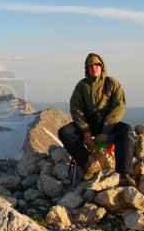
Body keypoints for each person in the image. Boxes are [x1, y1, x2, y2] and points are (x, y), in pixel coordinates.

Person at [58, 53, 137, 186]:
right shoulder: (82, 86)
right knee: (65, 132)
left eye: (97, 65)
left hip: (108, 125)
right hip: (89, 124)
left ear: (102, 67)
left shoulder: (112, 83)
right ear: (86, 69)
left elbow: (118, 107)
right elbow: (76, 109)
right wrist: (85, 131)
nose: (94, 68)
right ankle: (88, 163)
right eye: (90, 66)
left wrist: (106, 131)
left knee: (126, 130)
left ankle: (124, 173)